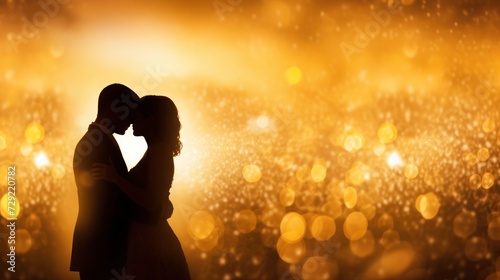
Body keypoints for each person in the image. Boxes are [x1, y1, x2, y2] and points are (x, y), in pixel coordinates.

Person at [91, 95, 191, 280]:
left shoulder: (159, 152)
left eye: (136, 116)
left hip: (152, 239)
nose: (131, 120)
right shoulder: (155, 150)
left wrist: (115, 178)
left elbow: (151, 202)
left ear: (150, 120)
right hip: (145, 235)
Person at [70, 83, 140, 280]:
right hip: (102, 249)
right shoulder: (95, 144)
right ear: (113, 108)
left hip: (100, 249)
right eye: (130, 113)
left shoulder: (98, 140)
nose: (132, 120)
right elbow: (106, 200)